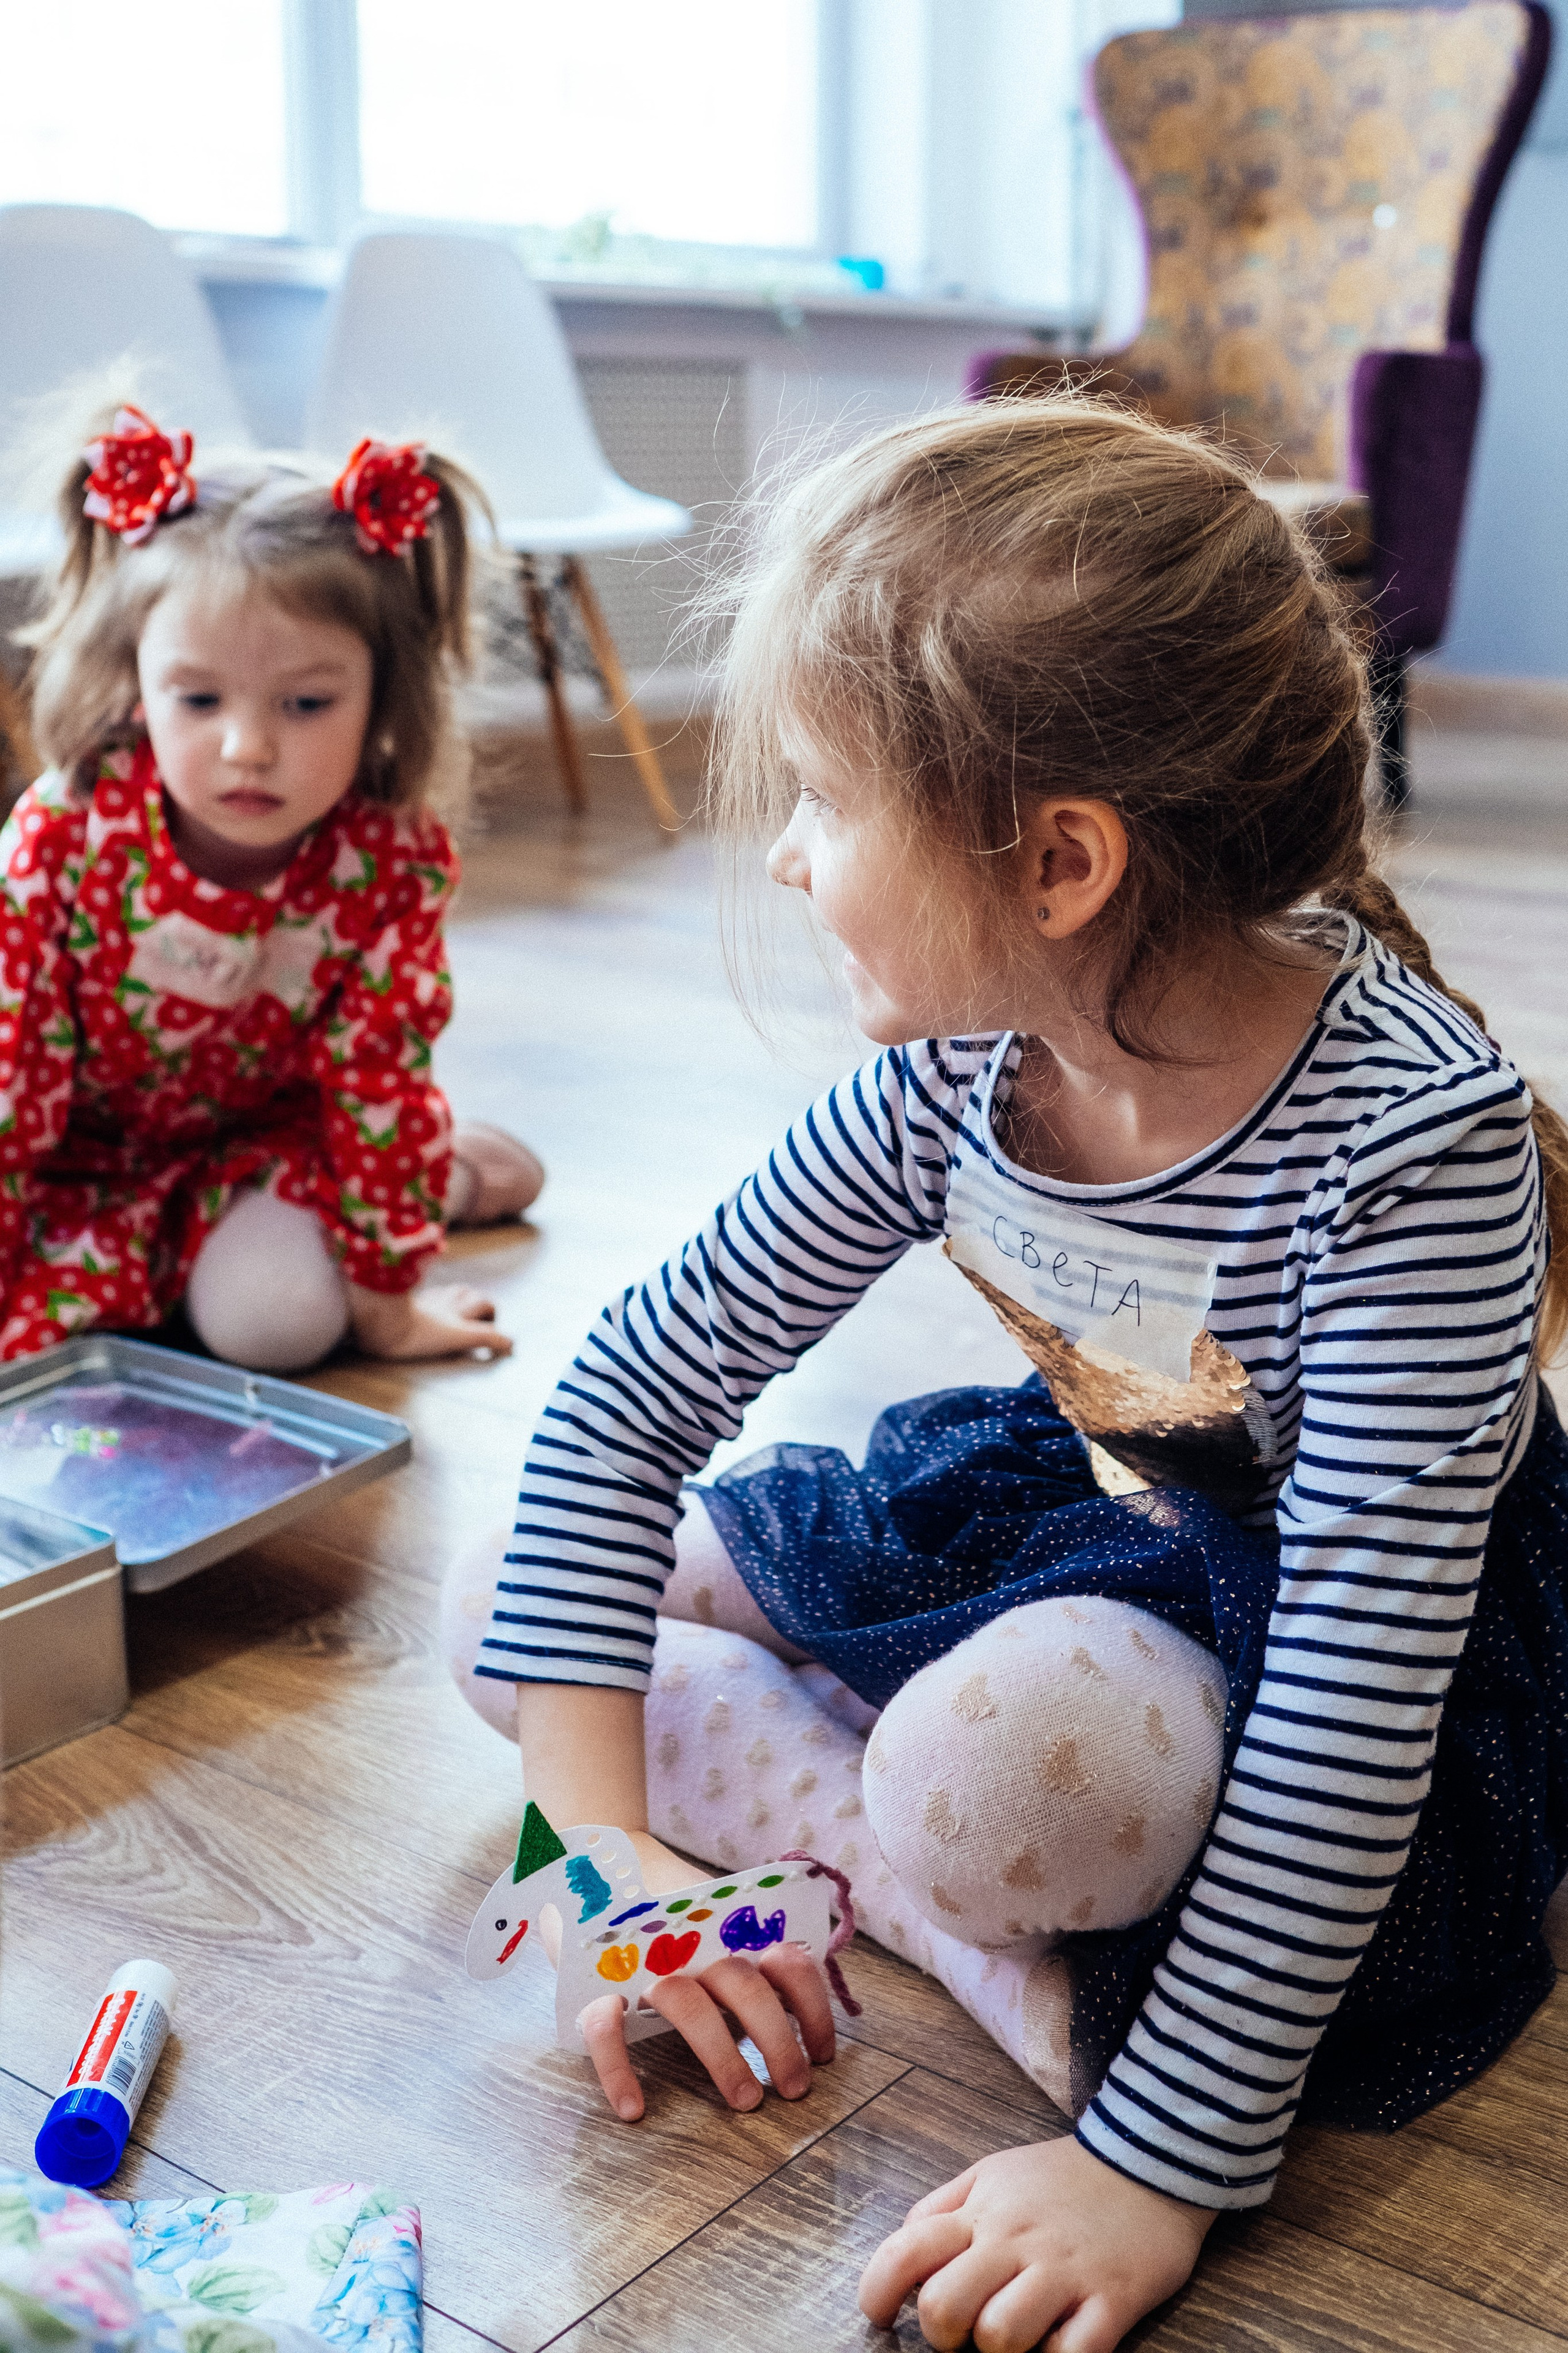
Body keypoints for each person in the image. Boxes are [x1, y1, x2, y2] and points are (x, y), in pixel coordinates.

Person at [444, 399, 1568, 2352]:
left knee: (984, 1785)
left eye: (819, 797)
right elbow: (631, 1396)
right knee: (502, 1615)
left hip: (1368, 1669)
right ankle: (902, 1862)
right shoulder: (957, 1072)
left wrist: (1158, 2164)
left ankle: (1014, 1961)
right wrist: (596, 1857)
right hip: (1118, 1512)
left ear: (1056, 863)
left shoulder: (1415, 1154)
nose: (788, 858)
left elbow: (1350, 1710)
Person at [2, 404, 543, 1373]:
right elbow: (11, 1080)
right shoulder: (63, 832)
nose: (248, 748)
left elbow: (376, 1075)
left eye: (306, 703)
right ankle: (443, 1173)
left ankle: (440, 1178)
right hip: (73, 1171)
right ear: (135, 682)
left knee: (278, 1328)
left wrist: (390, 1305)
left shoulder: (390, 853)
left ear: (385, 694)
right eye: (199, 699)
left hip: (262, 1149)